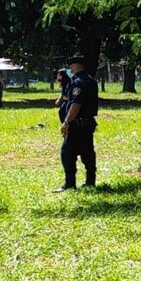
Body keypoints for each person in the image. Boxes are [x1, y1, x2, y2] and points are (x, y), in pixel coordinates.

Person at [55, 55, 98, 192]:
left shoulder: (79, 82)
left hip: (77, 124)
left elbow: (76, 104)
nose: (70, 69)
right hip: (87, 123)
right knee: (87, 152)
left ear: (76, 66)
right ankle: (90, 181)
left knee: (67, 153)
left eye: (71, 67)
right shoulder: (90, 80)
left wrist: (66, 122)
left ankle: (70, 184)